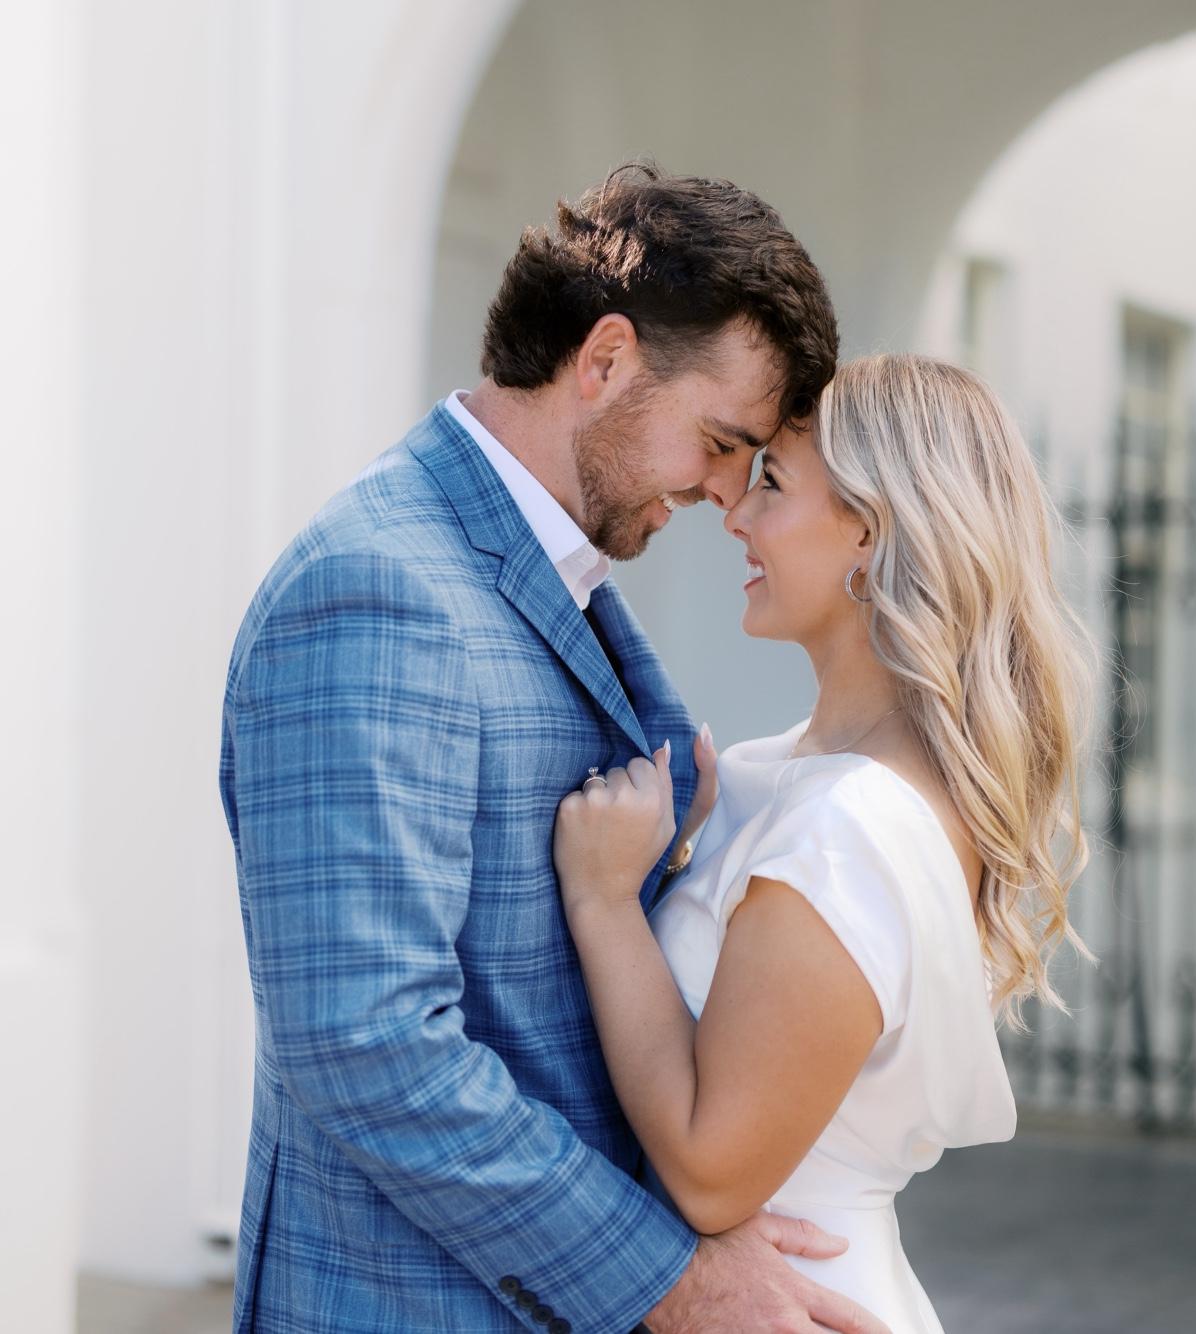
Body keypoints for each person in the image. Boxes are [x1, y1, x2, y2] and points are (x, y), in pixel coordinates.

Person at [219, 162, 892, 1333]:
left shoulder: (544, 566)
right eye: (718, 441)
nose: (726, 495)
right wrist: (671, 1280)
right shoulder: (378, 588)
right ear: (605, 359)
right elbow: (370, 1043)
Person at [553, 353, 1099, 1332]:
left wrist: (603, 901)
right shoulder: (797, 777)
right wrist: (678, 861)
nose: (734, 514)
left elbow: (710, 1170)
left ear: (869, 531)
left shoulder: (852, 825)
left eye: (771, 482)